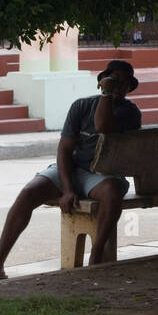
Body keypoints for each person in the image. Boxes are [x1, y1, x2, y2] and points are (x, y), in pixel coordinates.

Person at [0, 60, 142, 279]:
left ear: (128, 88)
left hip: (103, 174)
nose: (118, 87)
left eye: (124, 84)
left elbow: (103, 126)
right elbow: (64, 150)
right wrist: (67, 190)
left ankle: (96, 257)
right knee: (29, 192)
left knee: (113, 194)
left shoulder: (130, 112)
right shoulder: (81, 106)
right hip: (73, 168)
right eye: (114, 81)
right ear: (102, 81)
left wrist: (106, 95)